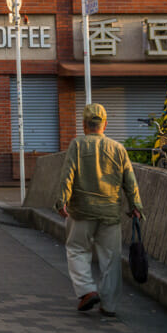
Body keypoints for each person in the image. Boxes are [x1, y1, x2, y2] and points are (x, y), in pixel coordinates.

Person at [56, 103, 143, 317]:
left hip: (81, 211)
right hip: (110, 213)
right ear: (105, 124)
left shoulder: (77, 145)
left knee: (76, 249)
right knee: (111, 259)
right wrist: (136, 206)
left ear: (84, 125)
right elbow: (130, 181)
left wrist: (62, 201)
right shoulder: (118, 149)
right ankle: (109, 306)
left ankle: (87, 291)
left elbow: (67, 175)